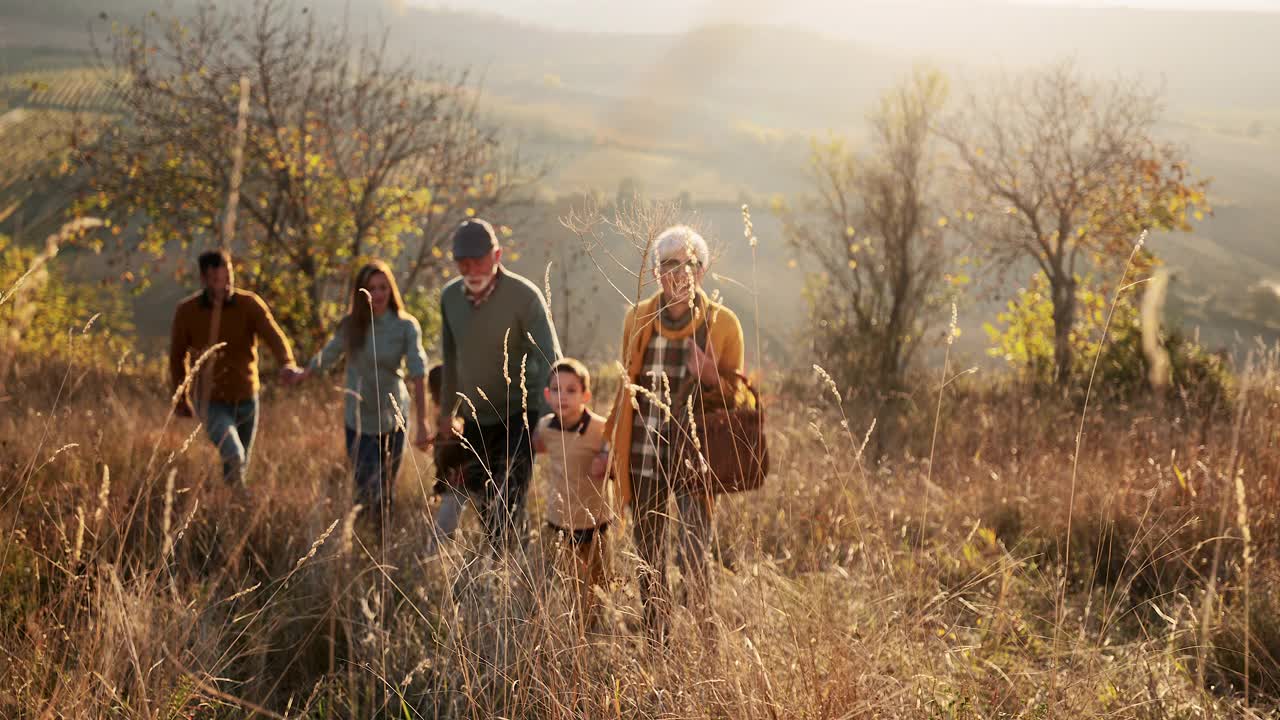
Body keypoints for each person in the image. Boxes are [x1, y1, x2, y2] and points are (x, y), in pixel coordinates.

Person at [599, 225, 747, 642]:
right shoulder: (638, 317)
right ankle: (658, 636)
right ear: (655, 271)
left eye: (689, 265)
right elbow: (625, 385)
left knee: (695, 553)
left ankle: (705, 639)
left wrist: (713, 377)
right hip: (644, 451)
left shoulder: (723, 323)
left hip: (695, 458)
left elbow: (741, 399)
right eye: (669, 265)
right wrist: (610, 447)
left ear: (702, 272)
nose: (679, 274)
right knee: (648, 552)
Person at [438, 218, 561, 555]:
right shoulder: (450, 297)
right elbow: (450, 359)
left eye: (479, 260)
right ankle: (501, 568)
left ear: (497, 255)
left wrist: (547, 422)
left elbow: (551, 359)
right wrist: (446, 412)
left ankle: (510, 575)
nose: (471, 269)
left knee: (507, 500)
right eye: (463, 262)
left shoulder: (524, 297)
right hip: (474, 417)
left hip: (520, 414)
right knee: (483, 499)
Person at [302, 260, 431, 526]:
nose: (378, 294)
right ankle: (362, 537)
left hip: (393, 421)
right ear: (362, 293)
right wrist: (301, 373)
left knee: (384, 489)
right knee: (368, 487)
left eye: (383, 287)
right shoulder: (352, 326)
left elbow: (418, 372)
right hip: (359, 422)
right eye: (371, 288)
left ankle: (381, 541)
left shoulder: (406, 326)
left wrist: (422, 423)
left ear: (391, 289)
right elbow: (328, 356)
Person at [170, 249, 302, 485]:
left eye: (228, 277)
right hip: (210, 400)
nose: (225, 285)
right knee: (233, 454)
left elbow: (273, 336)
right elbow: (177, 357)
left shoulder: (249, 304)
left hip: (247, 398)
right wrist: (181, 398)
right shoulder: (187, 311)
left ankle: (232, 509)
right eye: (217, 280)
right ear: (203, 279)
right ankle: (240, 502)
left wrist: (287, 364)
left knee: (240, 462)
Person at [533, 358, 613, 634]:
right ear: (547, 395)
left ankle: (597, 629)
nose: (562, 397)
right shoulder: (545, 427)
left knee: (599, 581)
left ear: (585, 395)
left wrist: (605, 459)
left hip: (595, 522)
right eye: (555, 390)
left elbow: (615, 459)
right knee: (572, 582)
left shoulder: (601, 428)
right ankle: (577, 628)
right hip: (560, 521)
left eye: (570, 390)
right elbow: (539, 447)